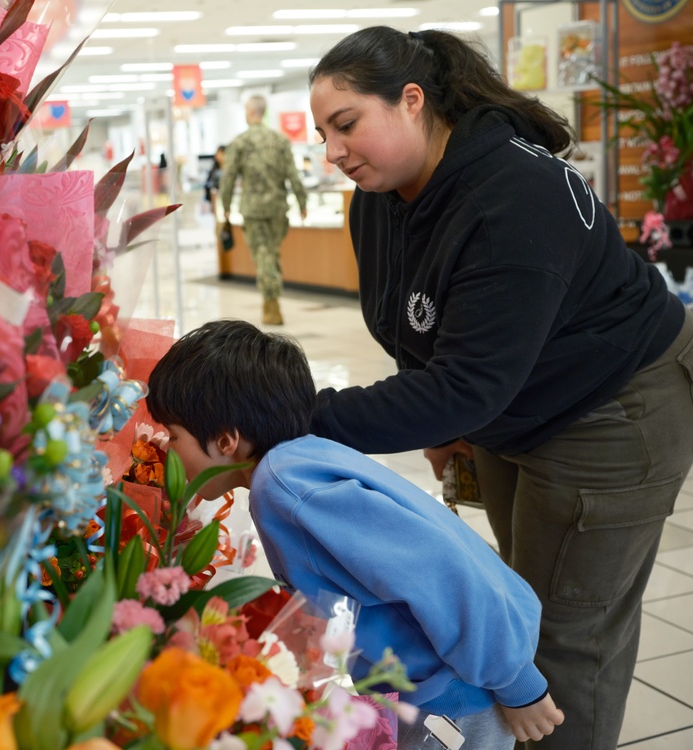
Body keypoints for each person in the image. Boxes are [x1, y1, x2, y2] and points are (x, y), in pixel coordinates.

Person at [307, 26, 693, 750]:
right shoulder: (381, 202)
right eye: (323, 132)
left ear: (412, 101)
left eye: (347, 124)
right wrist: (442, 428)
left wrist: (301, 416)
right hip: (516, 410)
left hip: (614, 410)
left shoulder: (513, 196)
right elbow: (423, 339)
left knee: (565, 637)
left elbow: (467, 385)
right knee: (521, 606)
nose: (333, 151)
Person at [147, 319, 564, 750]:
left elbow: (440, 570)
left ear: (225, 440)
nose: (165, 450)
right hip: (454, 676)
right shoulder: (298, 461)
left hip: (455, 694)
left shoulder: (286, 487)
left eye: (173, 436)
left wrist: (516, 682)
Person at [219, 95, 308, 326]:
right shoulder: (280, 140)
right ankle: (272, 298)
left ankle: (271, 306)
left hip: (254, 210)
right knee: (272, 252)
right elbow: (293, 174)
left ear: (249, 113)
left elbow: (228, 178)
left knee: (264, 255)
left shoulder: (239, 142)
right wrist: (302, 202)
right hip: (278, 209)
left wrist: (225, 206)